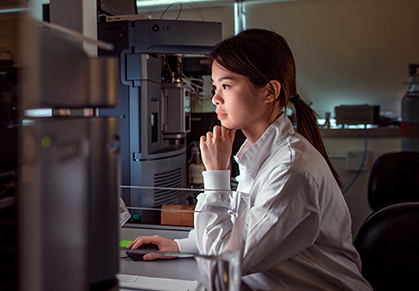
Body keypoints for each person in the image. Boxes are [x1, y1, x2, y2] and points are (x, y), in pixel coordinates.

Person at [127, 29, 372, 290]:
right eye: (215, 87)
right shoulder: (261, 154)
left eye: (226, 86)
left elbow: (221, 269)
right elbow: (240, 229)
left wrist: (216, 177)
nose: (215, 98)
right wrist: (179, 246)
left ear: (270, 92)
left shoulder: (291, 171)